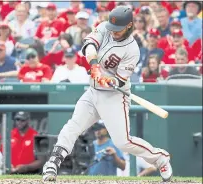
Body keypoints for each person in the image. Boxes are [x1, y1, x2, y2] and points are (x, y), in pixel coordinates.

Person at [42, 5, 172, 182]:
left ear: (128, 26)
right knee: (73, 125)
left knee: (123, 142)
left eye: (118, 30)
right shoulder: (105, 27)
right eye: (113, 29)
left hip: (115, 97)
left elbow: (119, 80)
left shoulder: (132, 49)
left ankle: (160, 158)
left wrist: (108, 80)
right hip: (93, 92)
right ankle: (52, 163)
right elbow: (89, 45)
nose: (114, 32)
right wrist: (94, 64)